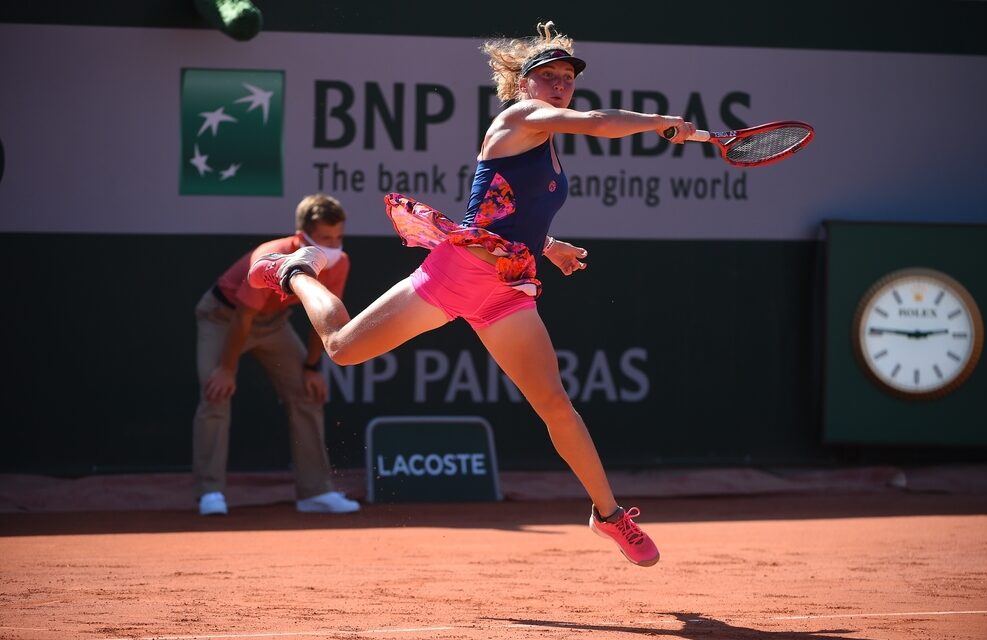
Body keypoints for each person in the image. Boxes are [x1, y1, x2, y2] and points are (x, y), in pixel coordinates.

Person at [247, 22, 695, 565]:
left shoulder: (547, 147)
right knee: (341, 347)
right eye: (549, 76)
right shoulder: (518, 118)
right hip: (454, 275)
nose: (560, 86)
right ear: (524, 84)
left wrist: (548, 245)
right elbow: (598, 123)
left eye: (567, 78)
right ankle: (296, 270)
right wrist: (659, 122)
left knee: (555, 404)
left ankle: (609, 515)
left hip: (507, 289)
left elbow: (507, 210)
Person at [192, 193, 361, 516]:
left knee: (307, 393)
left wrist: (312, 367)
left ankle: (315, 492)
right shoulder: (270, 256)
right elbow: (242, 318)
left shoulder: (339, 262)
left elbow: (324, 318)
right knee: (216, 393)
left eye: (338, 237)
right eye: (325, 238)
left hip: (272, 324)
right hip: (223, 318)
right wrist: (226, 369)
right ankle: (209, 491)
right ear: (302, 237)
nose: (333, 245)